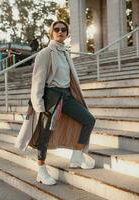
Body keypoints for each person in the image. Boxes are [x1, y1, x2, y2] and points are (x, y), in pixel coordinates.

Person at [15, 20, 96, 185]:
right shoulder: (45, 53)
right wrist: (39, 105)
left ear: (67, 33)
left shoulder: (65, 53)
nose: (60, 32)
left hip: (66, 96)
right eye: (57, 29)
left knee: (89, 120)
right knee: (44, 134)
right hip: (51, 97)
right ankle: (41, 170)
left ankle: (77, 156)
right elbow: (37, 80)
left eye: (63, 30)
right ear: (51, 33)